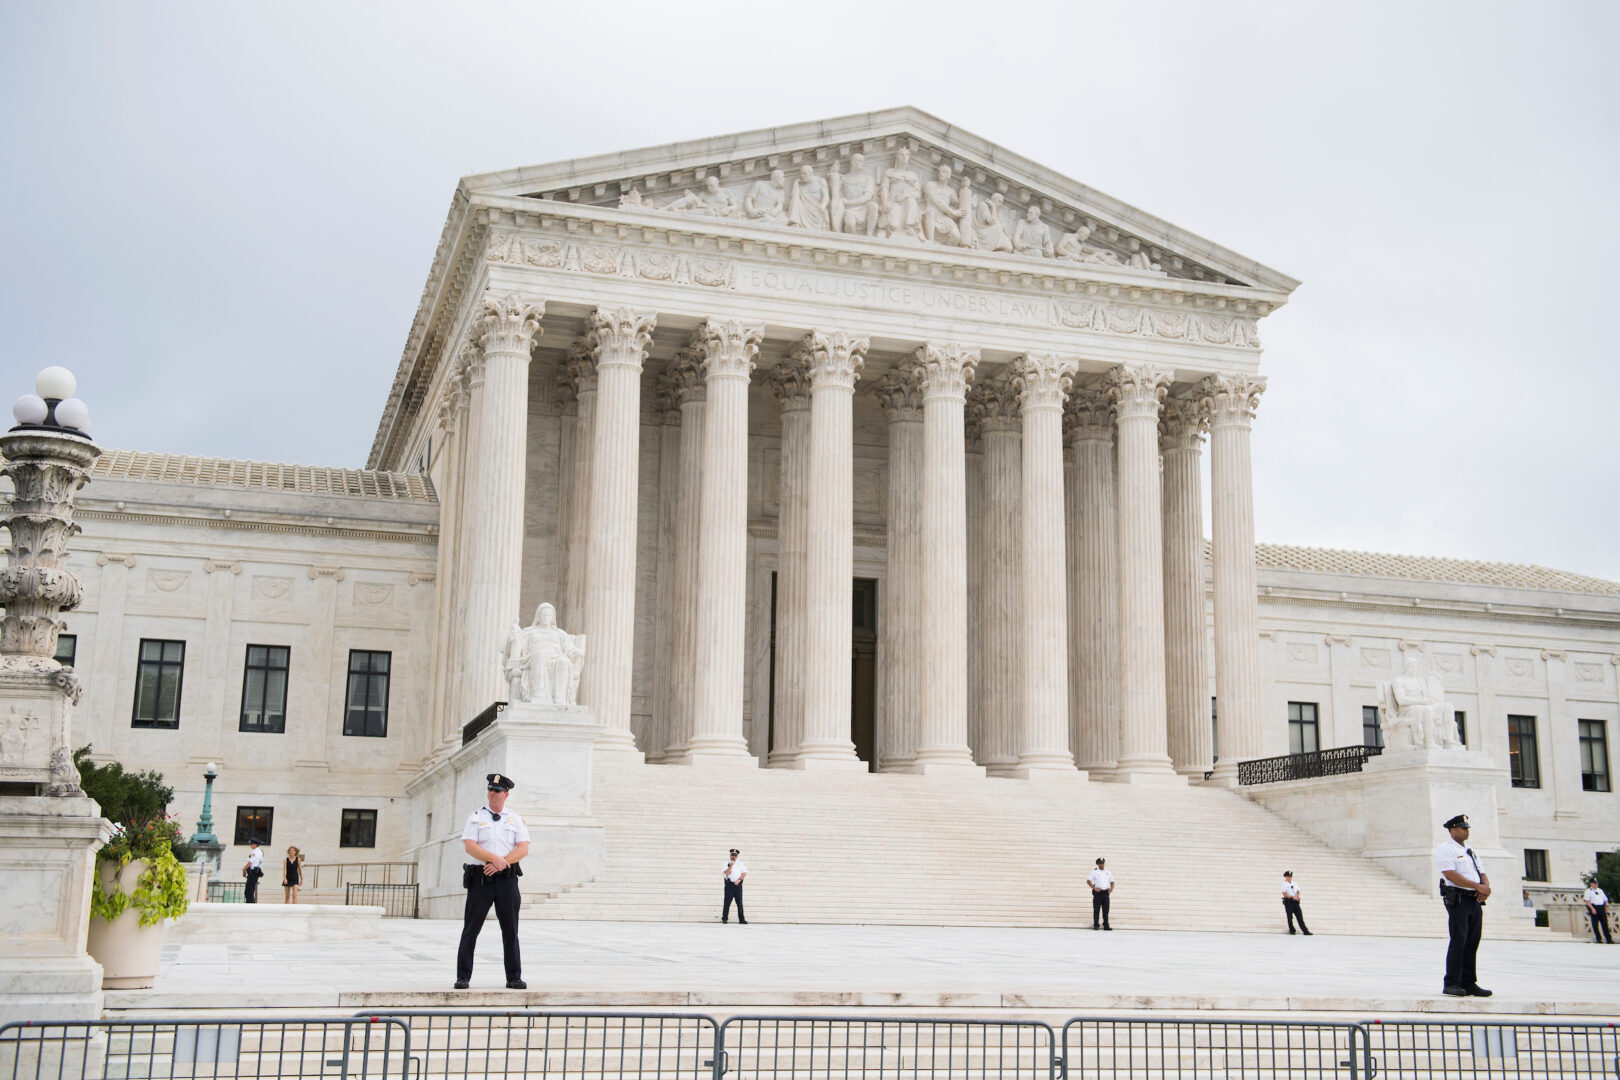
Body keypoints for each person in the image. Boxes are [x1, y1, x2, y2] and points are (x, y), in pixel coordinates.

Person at [455, 773, 529, 990]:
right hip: (481, 879)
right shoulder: (476, 817)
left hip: (506, 879)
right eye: (490, 790)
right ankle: (463, 976)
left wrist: (500, 862)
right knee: (471, 928)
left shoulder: (514, 819)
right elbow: (470, 845)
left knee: (510, 930)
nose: (492, 794)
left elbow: (523, 848)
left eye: (497, 791)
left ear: (506, 794)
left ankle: (514, 977)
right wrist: (494, 859)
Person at [1434, 813, 1491, 996]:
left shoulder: (1470, 850)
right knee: (1459, 940)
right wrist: (1477, 886)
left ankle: (1468, 982)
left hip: (1474, 899)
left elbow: (1481, 871)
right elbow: (1450, 874)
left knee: (1472, 941)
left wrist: (1485, 888)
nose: (1467, 831)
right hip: (1458, 899)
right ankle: (1451, 982)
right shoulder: (1445, 849)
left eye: (1467, 829)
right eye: (1463, 828)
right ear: (1453, 830)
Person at [722, 848, 748, 924]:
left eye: (735, 856)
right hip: (729, 885)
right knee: (727, 902)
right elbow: (726, 873)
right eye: (732, 855)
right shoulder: (726, 863)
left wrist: (739, 880)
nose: (734, 857)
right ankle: (725, 918)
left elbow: (744, 873)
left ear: (737, 856)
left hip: (738, 885)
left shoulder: (741, 863)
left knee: (739, 903)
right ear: (730, 855)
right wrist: (731, 865)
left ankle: (741, 919)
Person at [1086, 857, 1114, 930]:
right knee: (1096, 909)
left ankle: (1106, 925)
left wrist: (1111, 889)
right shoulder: (1094, 872)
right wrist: (1094, 888)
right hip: (1098, 893)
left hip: (1105, 893)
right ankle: (1096, 924)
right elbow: (1088, 881)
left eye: (1102, 863)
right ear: (1097, 864)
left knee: (1106, 910)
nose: (1102, 865)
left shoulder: (1107, 872)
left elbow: (1112, 881)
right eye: (1100, 863)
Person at [1282, 871, 1311, 935]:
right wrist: (1292, 897)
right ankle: (1292, 930)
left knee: (1300, 916)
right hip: (1289, 902)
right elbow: (1284, 893)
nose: (1289, 878)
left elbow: (1298, 891)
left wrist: (1297, 896)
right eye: (1288, 876)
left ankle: (1305, 931)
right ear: (1286, 877)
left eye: (1290, 876)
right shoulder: (1284, 884)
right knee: (1290, 917)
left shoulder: (1295, 883)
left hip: (1295, 902)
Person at [243, 839, 264, 903]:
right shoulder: (260, 851)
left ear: (255, 845)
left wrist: (244, 869)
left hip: (253, 872)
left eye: (251, 844)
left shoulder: (254, 852)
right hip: (256, 872)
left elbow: (251, 862)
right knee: (251, 889)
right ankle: (251, 902)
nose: (250, 845)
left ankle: (250, 903)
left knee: (249, 891)